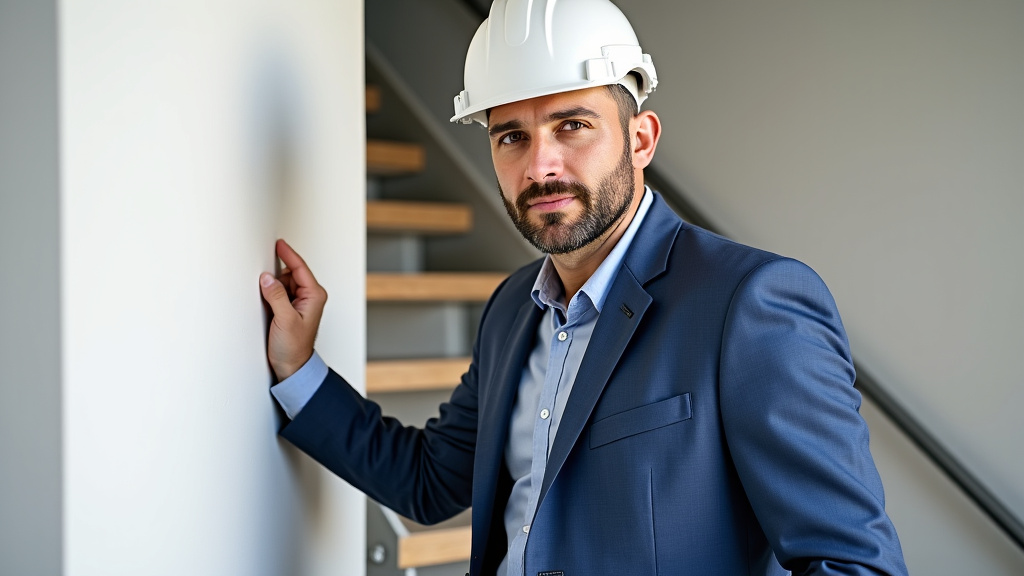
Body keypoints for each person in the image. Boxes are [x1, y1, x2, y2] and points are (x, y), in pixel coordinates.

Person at [258, 0, 908, 574]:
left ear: (640, 138)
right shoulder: (513, 307)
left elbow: (851, 564)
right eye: (511, 136)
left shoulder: (750, 302)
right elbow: (430, 483)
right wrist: (299, 368)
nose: (540, 164)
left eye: (572, 126)